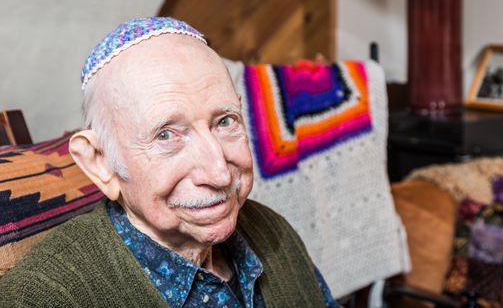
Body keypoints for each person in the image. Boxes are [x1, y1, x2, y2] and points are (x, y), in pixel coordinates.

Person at [0, 17, 338, 307]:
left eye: (225, 121)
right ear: (100, 163)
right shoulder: (43, 298)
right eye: (166, 135)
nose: (219, 173)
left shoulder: (272, 231)